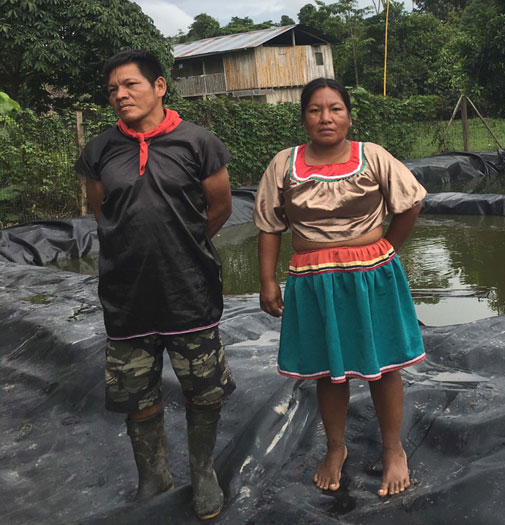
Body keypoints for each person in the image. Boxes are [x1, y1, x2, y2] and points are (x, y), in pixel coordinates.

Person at [75, 49, 235, 520]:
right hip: (126, 296)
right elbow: (103, 212)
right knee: (137, 393)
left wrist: (182, 244)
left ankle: (202, 470)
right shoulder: (101, 149)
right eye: (112, 90)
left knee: (202, 389)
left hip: (190, 288)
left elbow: (220, 206)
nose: (120, 95)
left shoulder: (198, 142)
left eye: (130, 85)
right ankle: (154, 475)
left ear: (159, 86)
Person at [254, 77, 427, 497]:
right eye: (315, 110)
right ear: (303, 119)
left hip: (371, 274)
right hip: (312, 280)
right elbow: (269, 225)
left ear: (349, 116)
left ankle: (393, 450)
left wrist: (387, 245)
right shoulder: (284, 163)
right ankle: (335, 448)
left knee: (383, 366)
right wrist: (266, 280)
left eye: (335, 108)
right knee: (329, 371)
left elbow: (411, 202)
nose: (325, 117)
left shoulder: (374, 157)